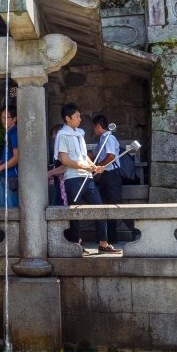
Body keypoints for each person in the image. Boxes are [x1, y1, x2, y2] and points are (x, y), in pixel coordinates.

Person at [56, 103, 121, 255]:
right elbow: (64, 160)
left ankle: (103, 243)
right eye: (77, 116)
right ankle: (75, 245)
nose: (80, 119)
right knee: (75, 213)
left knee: (99, 208)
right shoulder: (62, 135)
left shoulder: (80, 133)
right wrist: (85, 167)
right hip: (73, 178)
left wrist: (94, 166)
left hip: (87, 177)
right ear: (68, 118)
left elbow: (84, 156)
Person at [92, 114, 139, 244]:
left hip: (112, 175)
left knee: (117, 205)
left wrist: (97, 168)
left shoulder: (109, 138)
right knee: (106, 207)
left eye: (94, 127)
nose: (94, 130)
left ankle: (136, 230)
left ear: (98, 126)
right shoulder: (102, 139)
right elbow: (94, 154)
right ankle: (111, 237)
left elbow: (111, 157)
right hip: (105, 176)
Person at [0, 105, 19, 209]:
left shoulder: (14, 133)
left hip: (11, 176)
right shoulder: (8, 133)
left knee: (10, 210)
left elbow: (16, 158)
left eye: (6, 117)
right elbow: (9, 156)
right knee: (4, 208)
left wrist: (0, 167)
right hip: (5, 175)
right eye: (2, 117)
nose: (3, 120)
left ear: (15, 119)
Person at [47, 123, 67, 207]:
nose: (53, 138)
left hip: (64, 184)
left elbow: (65, 167)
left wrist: (49, 173)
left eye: (54, 135)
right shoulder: (58, 150)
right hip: (58, 184)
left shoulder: (64, 150)